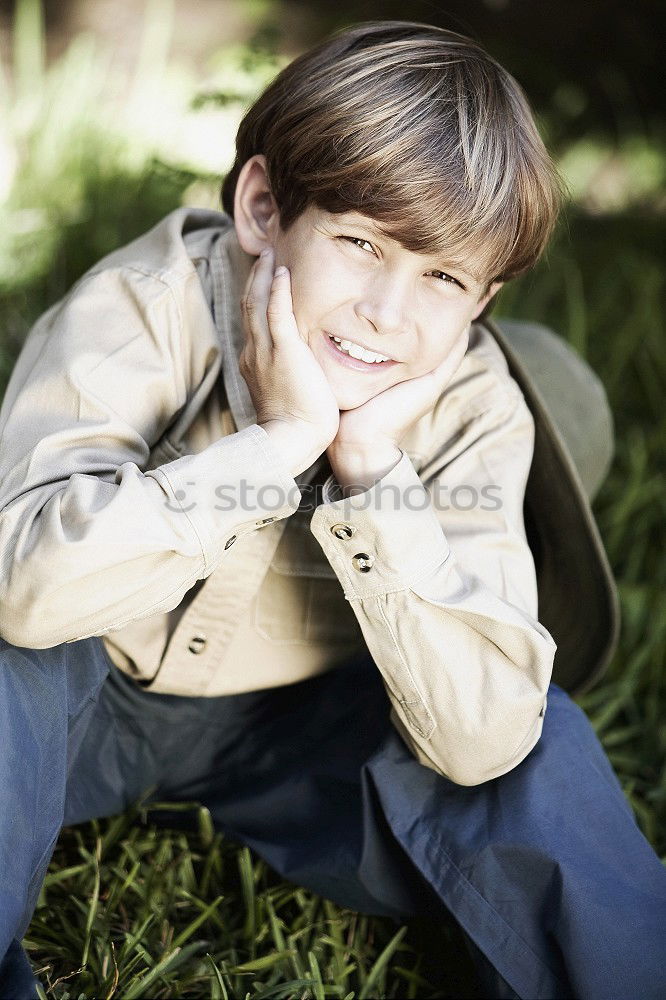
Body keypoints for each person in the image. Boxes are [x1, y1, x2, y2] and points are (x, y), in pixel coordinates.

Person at [0, 19, 664, 1000]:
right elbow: (25, 589)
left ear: (485, 298)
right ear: (264, 208)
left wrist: (372, 471)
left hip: (304, 728)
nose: (389, 314)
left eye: (442, 277)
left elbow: (484, 737)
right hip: (82, 691)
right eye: (361, 244)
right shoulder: (149, 305)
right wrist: (272, 449)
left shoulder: (474, 401)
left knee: (529, 727)